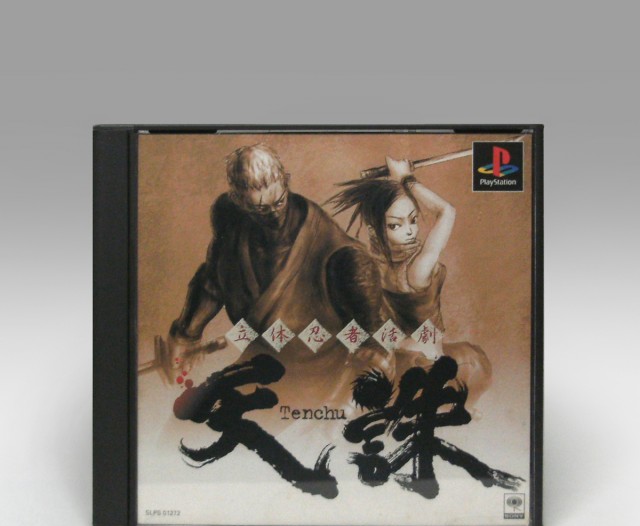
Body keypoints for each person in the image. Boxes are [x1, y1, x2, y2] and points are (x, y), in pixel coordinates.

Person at [167, 144, 392, 411]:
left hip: (321, 373)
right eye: (261, 209)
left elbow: (374, 334)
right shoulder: (231, 222)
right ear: (239, 200)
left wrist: (371, 359)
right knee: (189, 417)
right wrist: (186, 335)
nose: (274, 215)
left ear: (285, 181)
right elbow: (213, 281)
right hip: (261, 360)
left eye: (279, 202)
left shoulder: (343, 257)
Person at [327, 156, 492, 404]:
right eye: (396, 225)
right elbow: (447, 211)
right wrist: (406, 179)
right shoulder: (417, 269)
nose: (410, 230)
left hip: (401, 355)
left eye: (413, 220)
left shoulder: (371, 266)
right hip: (423, 360)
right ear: (375, 230)